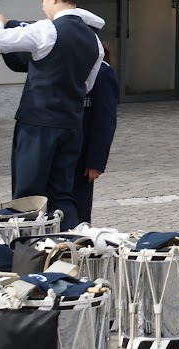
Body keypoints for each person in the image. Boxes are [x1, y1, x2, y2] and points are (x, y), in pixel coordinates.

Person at [0, 0, 104, 230]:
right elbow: (88, 84)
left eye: (43, 1)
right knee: (63, 193)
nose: (43, 7)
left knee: (28, 196)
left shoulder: (46, 30)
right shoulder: (94, 39)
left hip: (37, 125)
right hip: (71, 125)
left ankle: (31, 253)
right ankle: (70, 246)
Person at [75, 44, 119, 224]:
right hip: (61, 150)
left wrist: (95, 162)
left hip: (83, 154)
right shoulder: (66, 67)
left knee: (79, 206)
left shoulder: (103, 72)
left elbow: (105, 121)